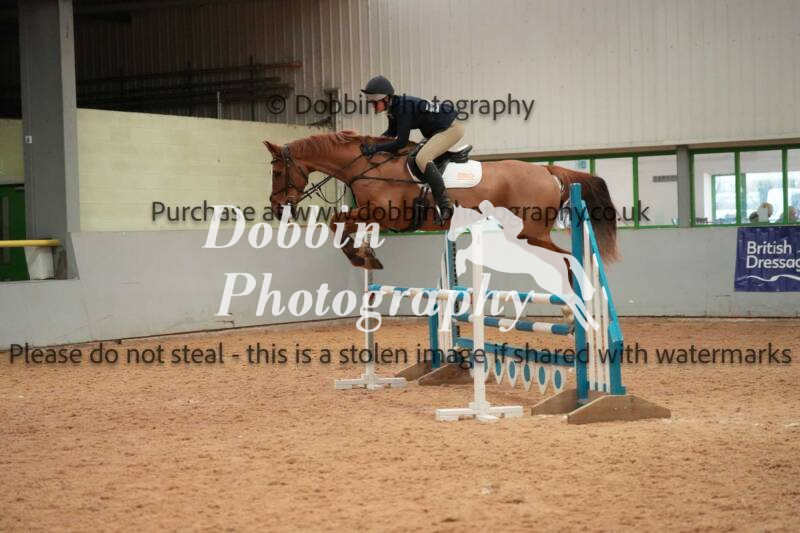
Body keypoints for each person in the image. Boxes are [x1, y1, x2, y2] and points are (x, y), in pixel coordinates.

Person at [360, 75, 463, 220]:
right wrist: (372, 143)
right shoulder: (393, 109)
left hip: (451, 128)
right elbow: (391, 133)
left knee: (422, 159)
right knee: (414, 156)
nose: (373, 107)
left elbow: (401, 142)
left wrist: (375, 149)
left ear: (386, 98)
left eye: (374, 103)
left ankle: (445, 204)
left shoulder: (403, 107)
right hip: (436, 131)